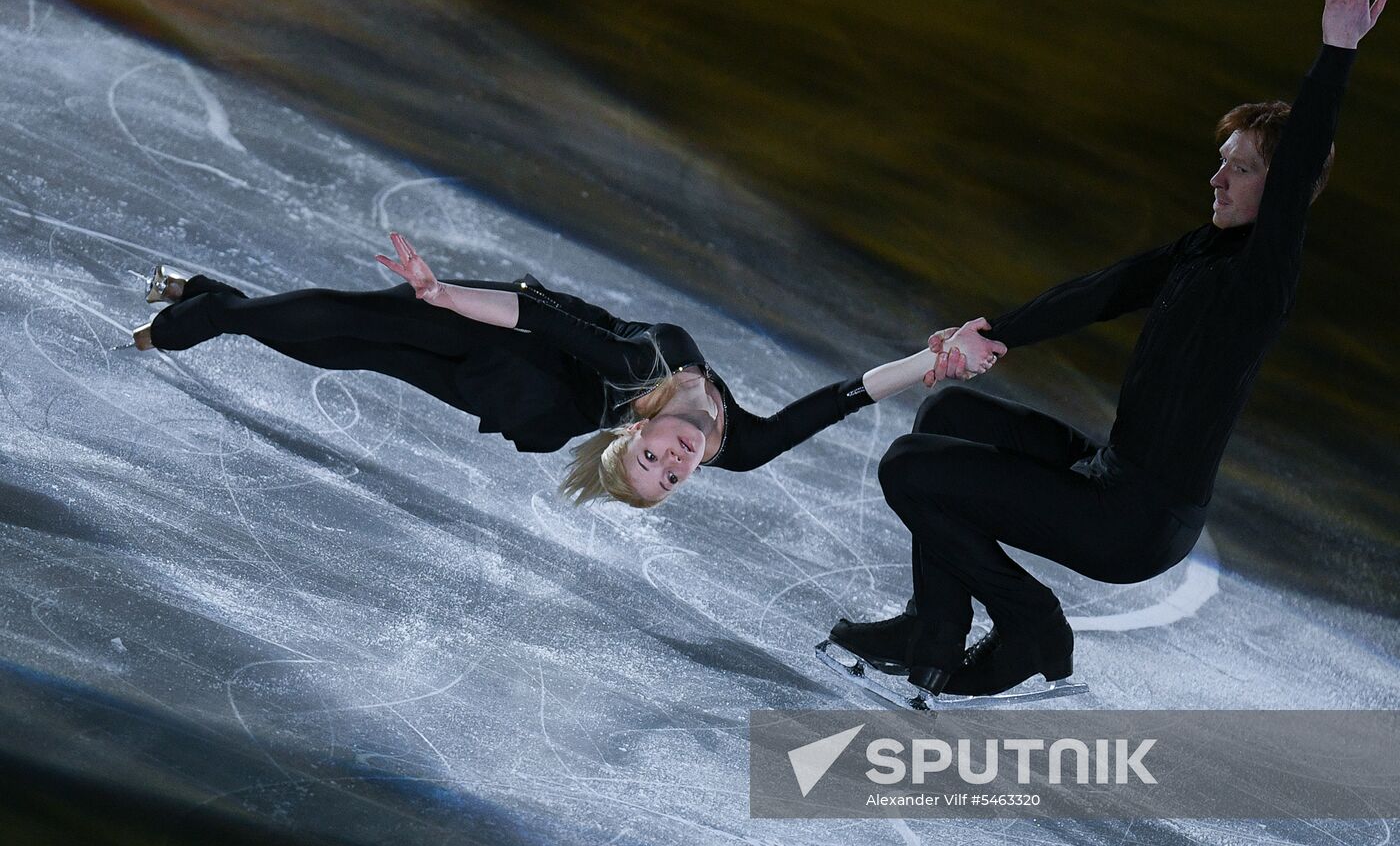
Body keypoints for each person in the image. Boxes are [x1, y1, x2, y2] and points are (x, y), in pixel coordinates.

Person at [834, 0, 1388, 699]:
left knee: (909, 467)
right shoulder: (1205, 249)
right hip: (1111, 476)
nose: (1217, 180)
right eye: (1221, 163)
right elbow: (1106, 290)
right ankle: (933, 629)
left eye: (1242, 170)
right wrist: (993, 332)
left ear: (1282, 186)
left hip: (1134, 522)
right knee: (949, 414)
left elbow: (1298, 170)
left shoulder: (1264, 275)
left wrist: (1337, 53)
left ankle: (1031, 624)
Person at [130, 232, 1001, 508]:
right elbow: (844, 398)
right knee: (354, 328)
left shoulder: (644, 368)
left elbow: (538, 321)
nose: (673, 458)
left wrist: (440, 296)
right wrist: (928, 361)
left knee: (361, 341)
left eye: (652, 462)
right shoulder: (742, 444)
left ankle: (215, 307)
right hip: (519, 349)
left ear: (635, 434)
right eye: (671, 471)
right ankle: (214, 307)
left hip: (520, 378)